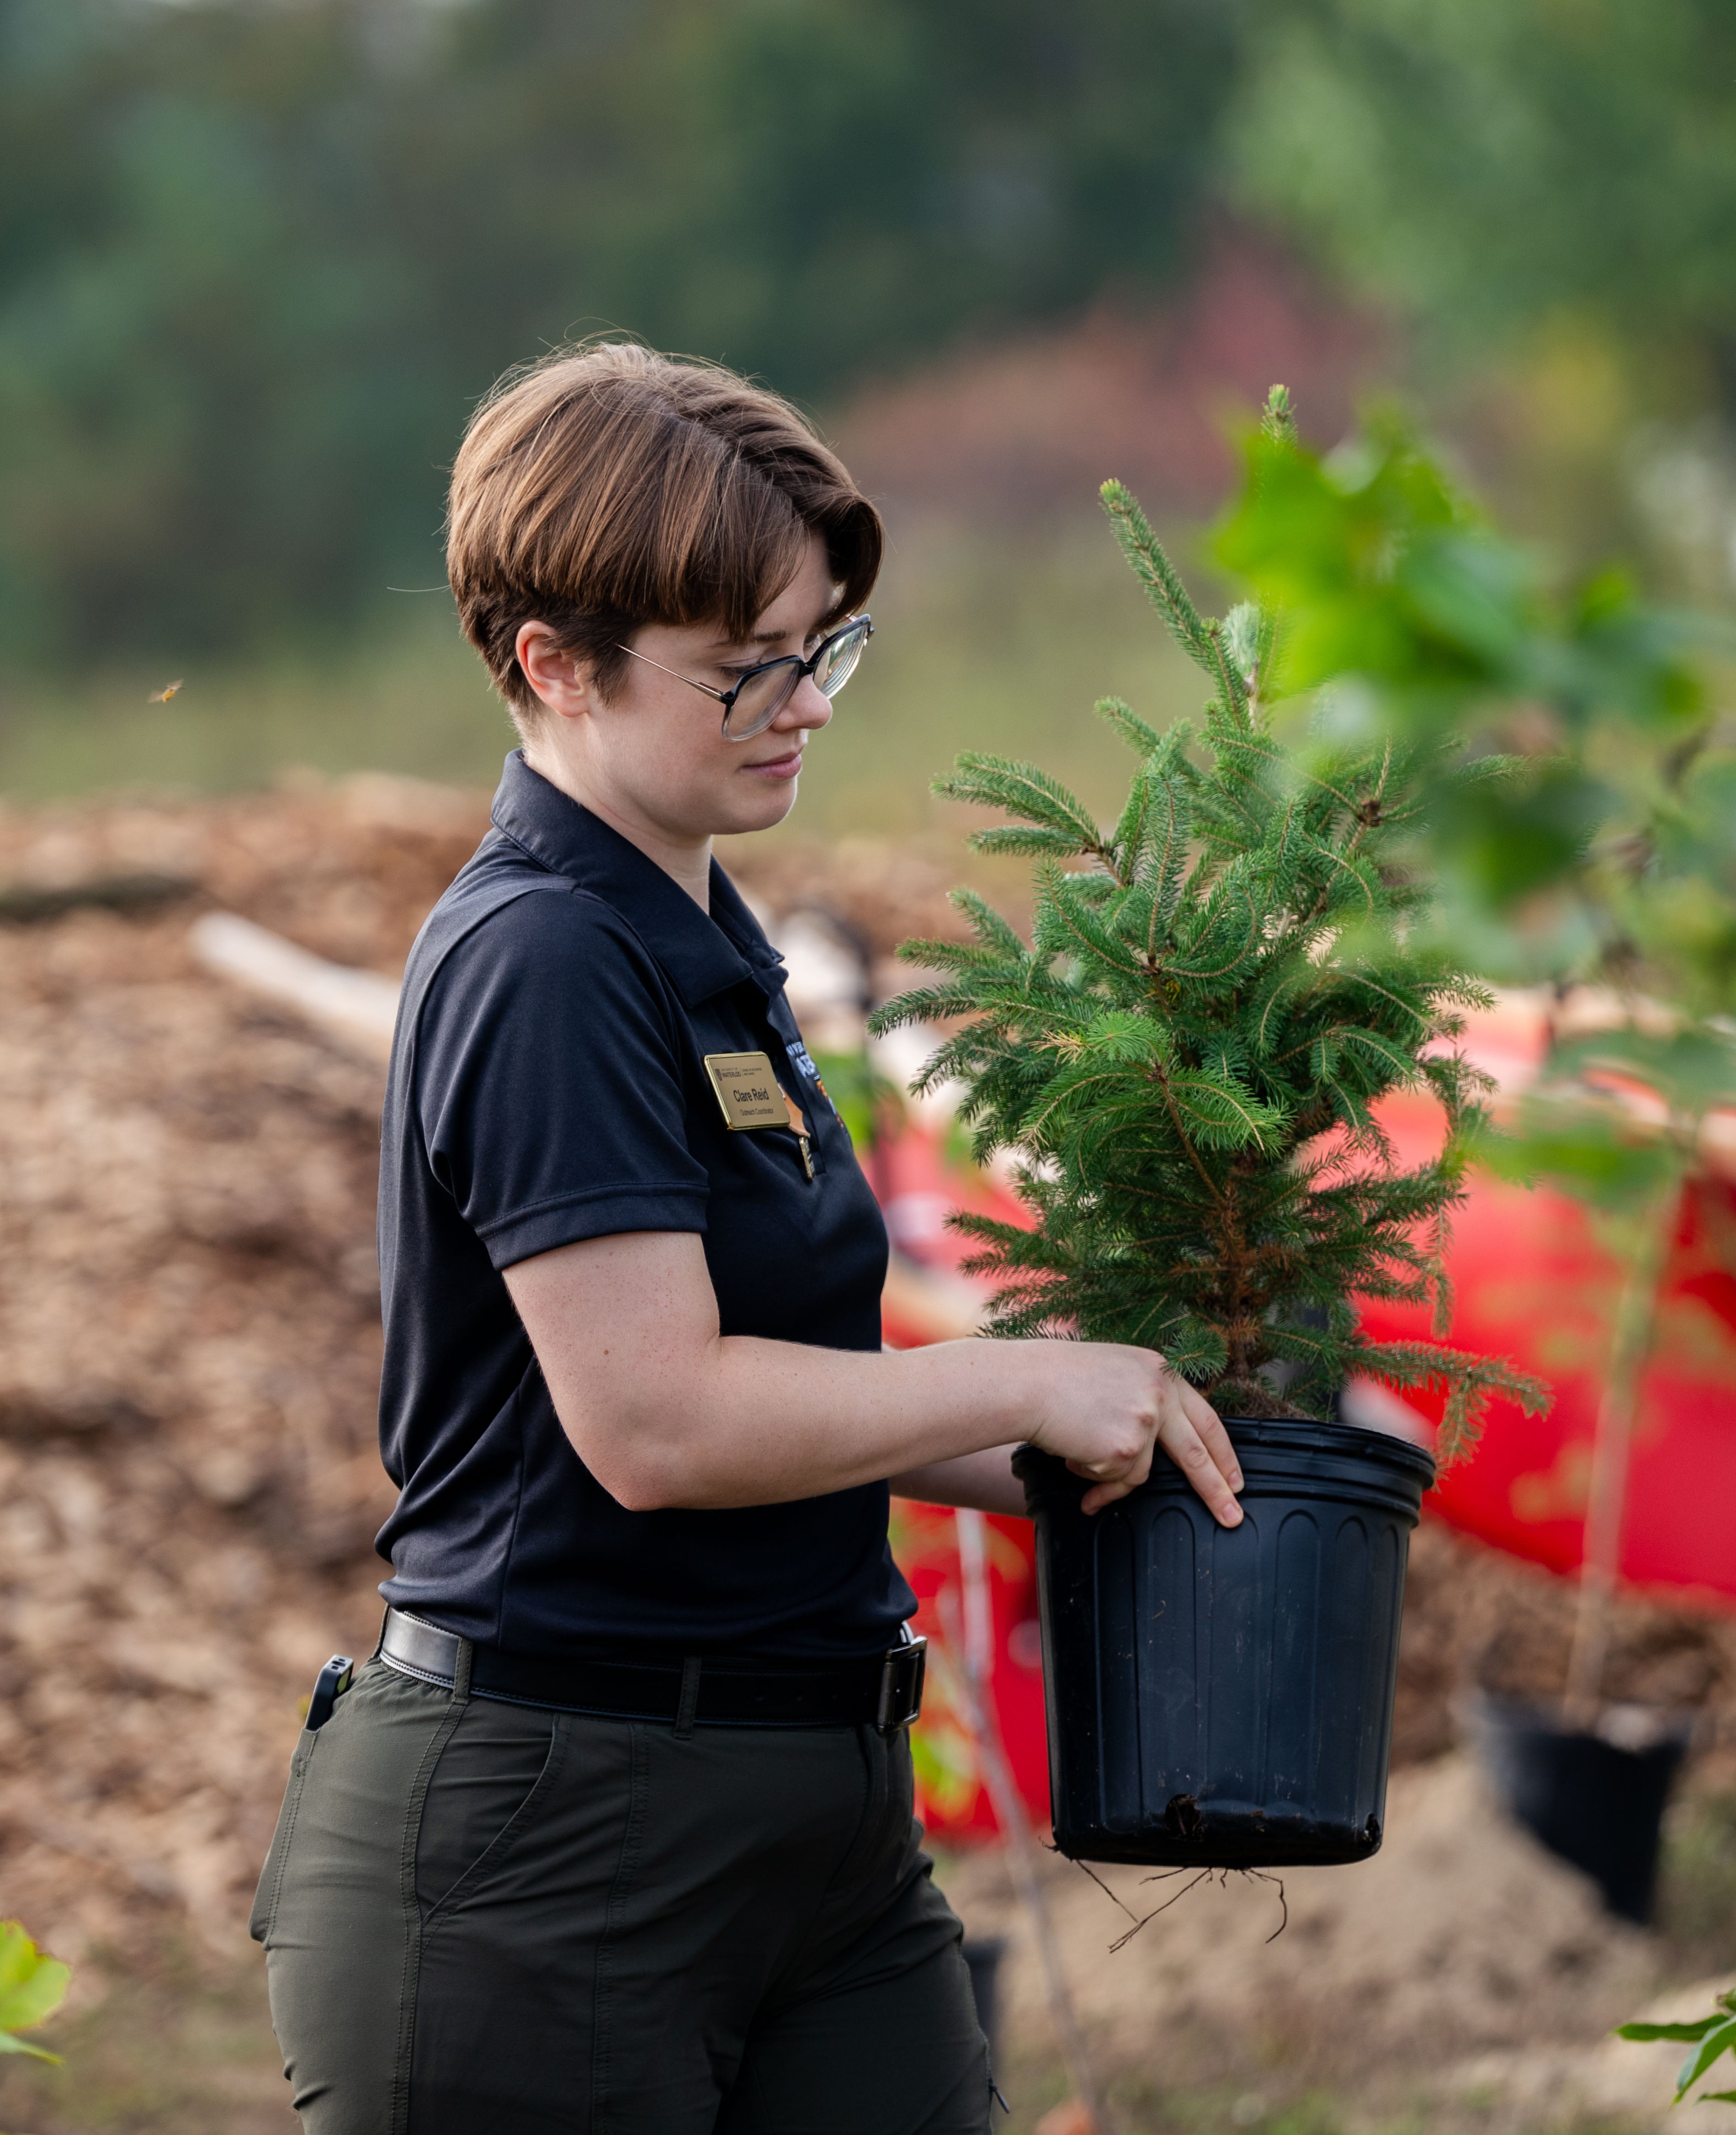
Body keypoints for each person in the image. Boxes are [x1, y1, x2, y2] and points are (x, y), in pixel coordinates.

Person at [250, 341, 1247, 2133]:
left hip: (816, 1824)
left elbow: (793, 1395)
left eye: (823, 649)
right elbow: (658, 1425)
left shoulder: (708, 939)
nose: (807, 705)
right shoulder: (544, 958)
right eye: (747, 670)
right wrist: (1013, 1372)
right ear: (551, 663)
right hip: (552, 1854)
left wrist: (1097, 1453)